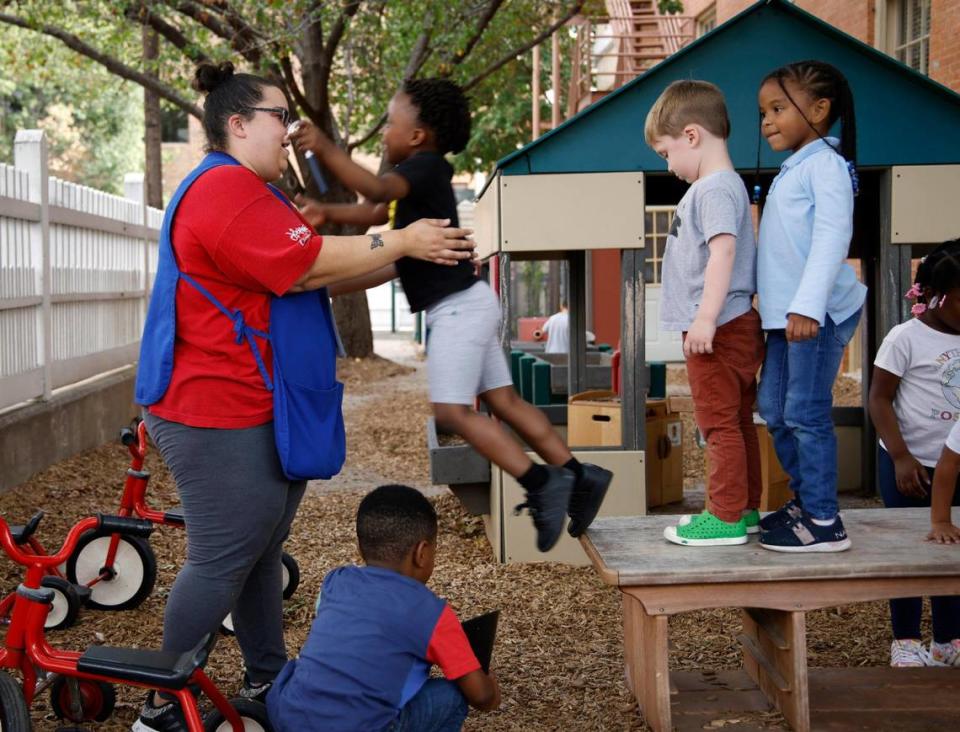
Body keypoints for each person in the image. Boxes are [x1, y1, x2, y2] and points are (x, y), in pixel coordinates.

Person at [131, 62, 475, 732]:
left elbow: (307, 279)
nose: (288, 131)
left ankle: (265, 675)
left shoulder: (253, 194)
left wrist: (416, 254)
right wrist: (401, 237)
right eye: (277, 116)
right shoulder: (223, 190)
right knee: (222, 557)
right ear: (237, 123)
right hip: (208, 406)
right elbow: (310, 262)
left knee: (261, 547)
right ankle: (158, 704)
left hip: (251, 401)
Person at [291, 79, 612, 552]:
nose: (384, 132)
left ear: (418, 135)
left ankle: (541, 483)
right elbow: (376, 212)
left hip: (458, 310)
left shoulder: (422, 170)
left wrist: (323, 145)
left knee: (452, 412)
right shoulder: (422, 178)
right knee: (505, 402)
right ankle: (580, 475)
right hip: (471, 303)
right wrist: (325, 208)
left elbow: (376, 188)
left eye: (390, 123)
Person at [266, 484, 501, 731]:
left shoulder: (336, 581)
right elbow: (481, 696)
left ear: (360, 548)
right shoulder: (430, 613)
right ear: (421, 553)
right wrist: (492, 690)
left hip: (288, 717)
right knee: (452, 695)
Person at [644, 80, 764, 547]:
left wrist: (705, 319)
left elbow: (723, 253)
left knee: (717, 425)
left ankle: (725, 516)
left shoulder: (712, 189)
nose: (668, 165)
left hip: (718, 328)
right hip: (732, 323)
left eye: (665, 152)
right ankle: (746, 508)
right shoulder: (724, 187)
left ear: (692, 136)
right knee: (736, 420)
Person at [754, 60, 866, 552]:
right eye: (763, 112)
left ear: (819, 109)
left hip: (813, 314)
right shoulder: (795, 166)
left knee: (804, 411)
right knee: (773, 409)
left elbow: (830, 240)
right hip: (786, 316)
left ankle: (824, 521)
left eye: (778, 108)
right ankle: (806, 499)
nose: (767, 121)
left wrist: (807, 307)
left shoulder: (826, 166)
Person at [869, 239, 960, 668]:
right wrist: (901, 456)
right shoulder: (905, 337)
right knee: (907, 554)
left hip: (956, 464)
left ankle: (948, 640)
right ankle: (905, 639)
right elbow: (879, 399)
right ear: (938, 297)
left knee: (951, 548)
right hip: (911, 465)